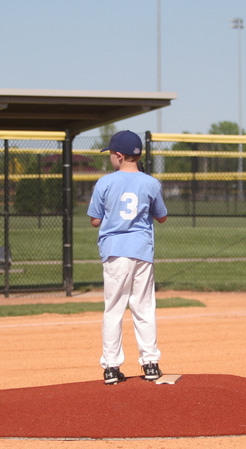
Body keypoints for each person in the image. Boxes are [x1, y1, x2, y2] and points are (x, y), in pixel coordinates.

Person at [87, 130, 168, 385]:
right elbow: (162, 217)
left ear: (120, 156)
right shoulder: (151, 182)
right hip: (142, 251)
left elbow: (95, 220)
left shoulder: (104, 183)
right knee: (143, 308)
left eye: (111, 154)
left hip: (114, 252)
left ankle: (111, 367)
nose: (111, 158)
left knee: (113, 309)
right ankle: (150, 363)